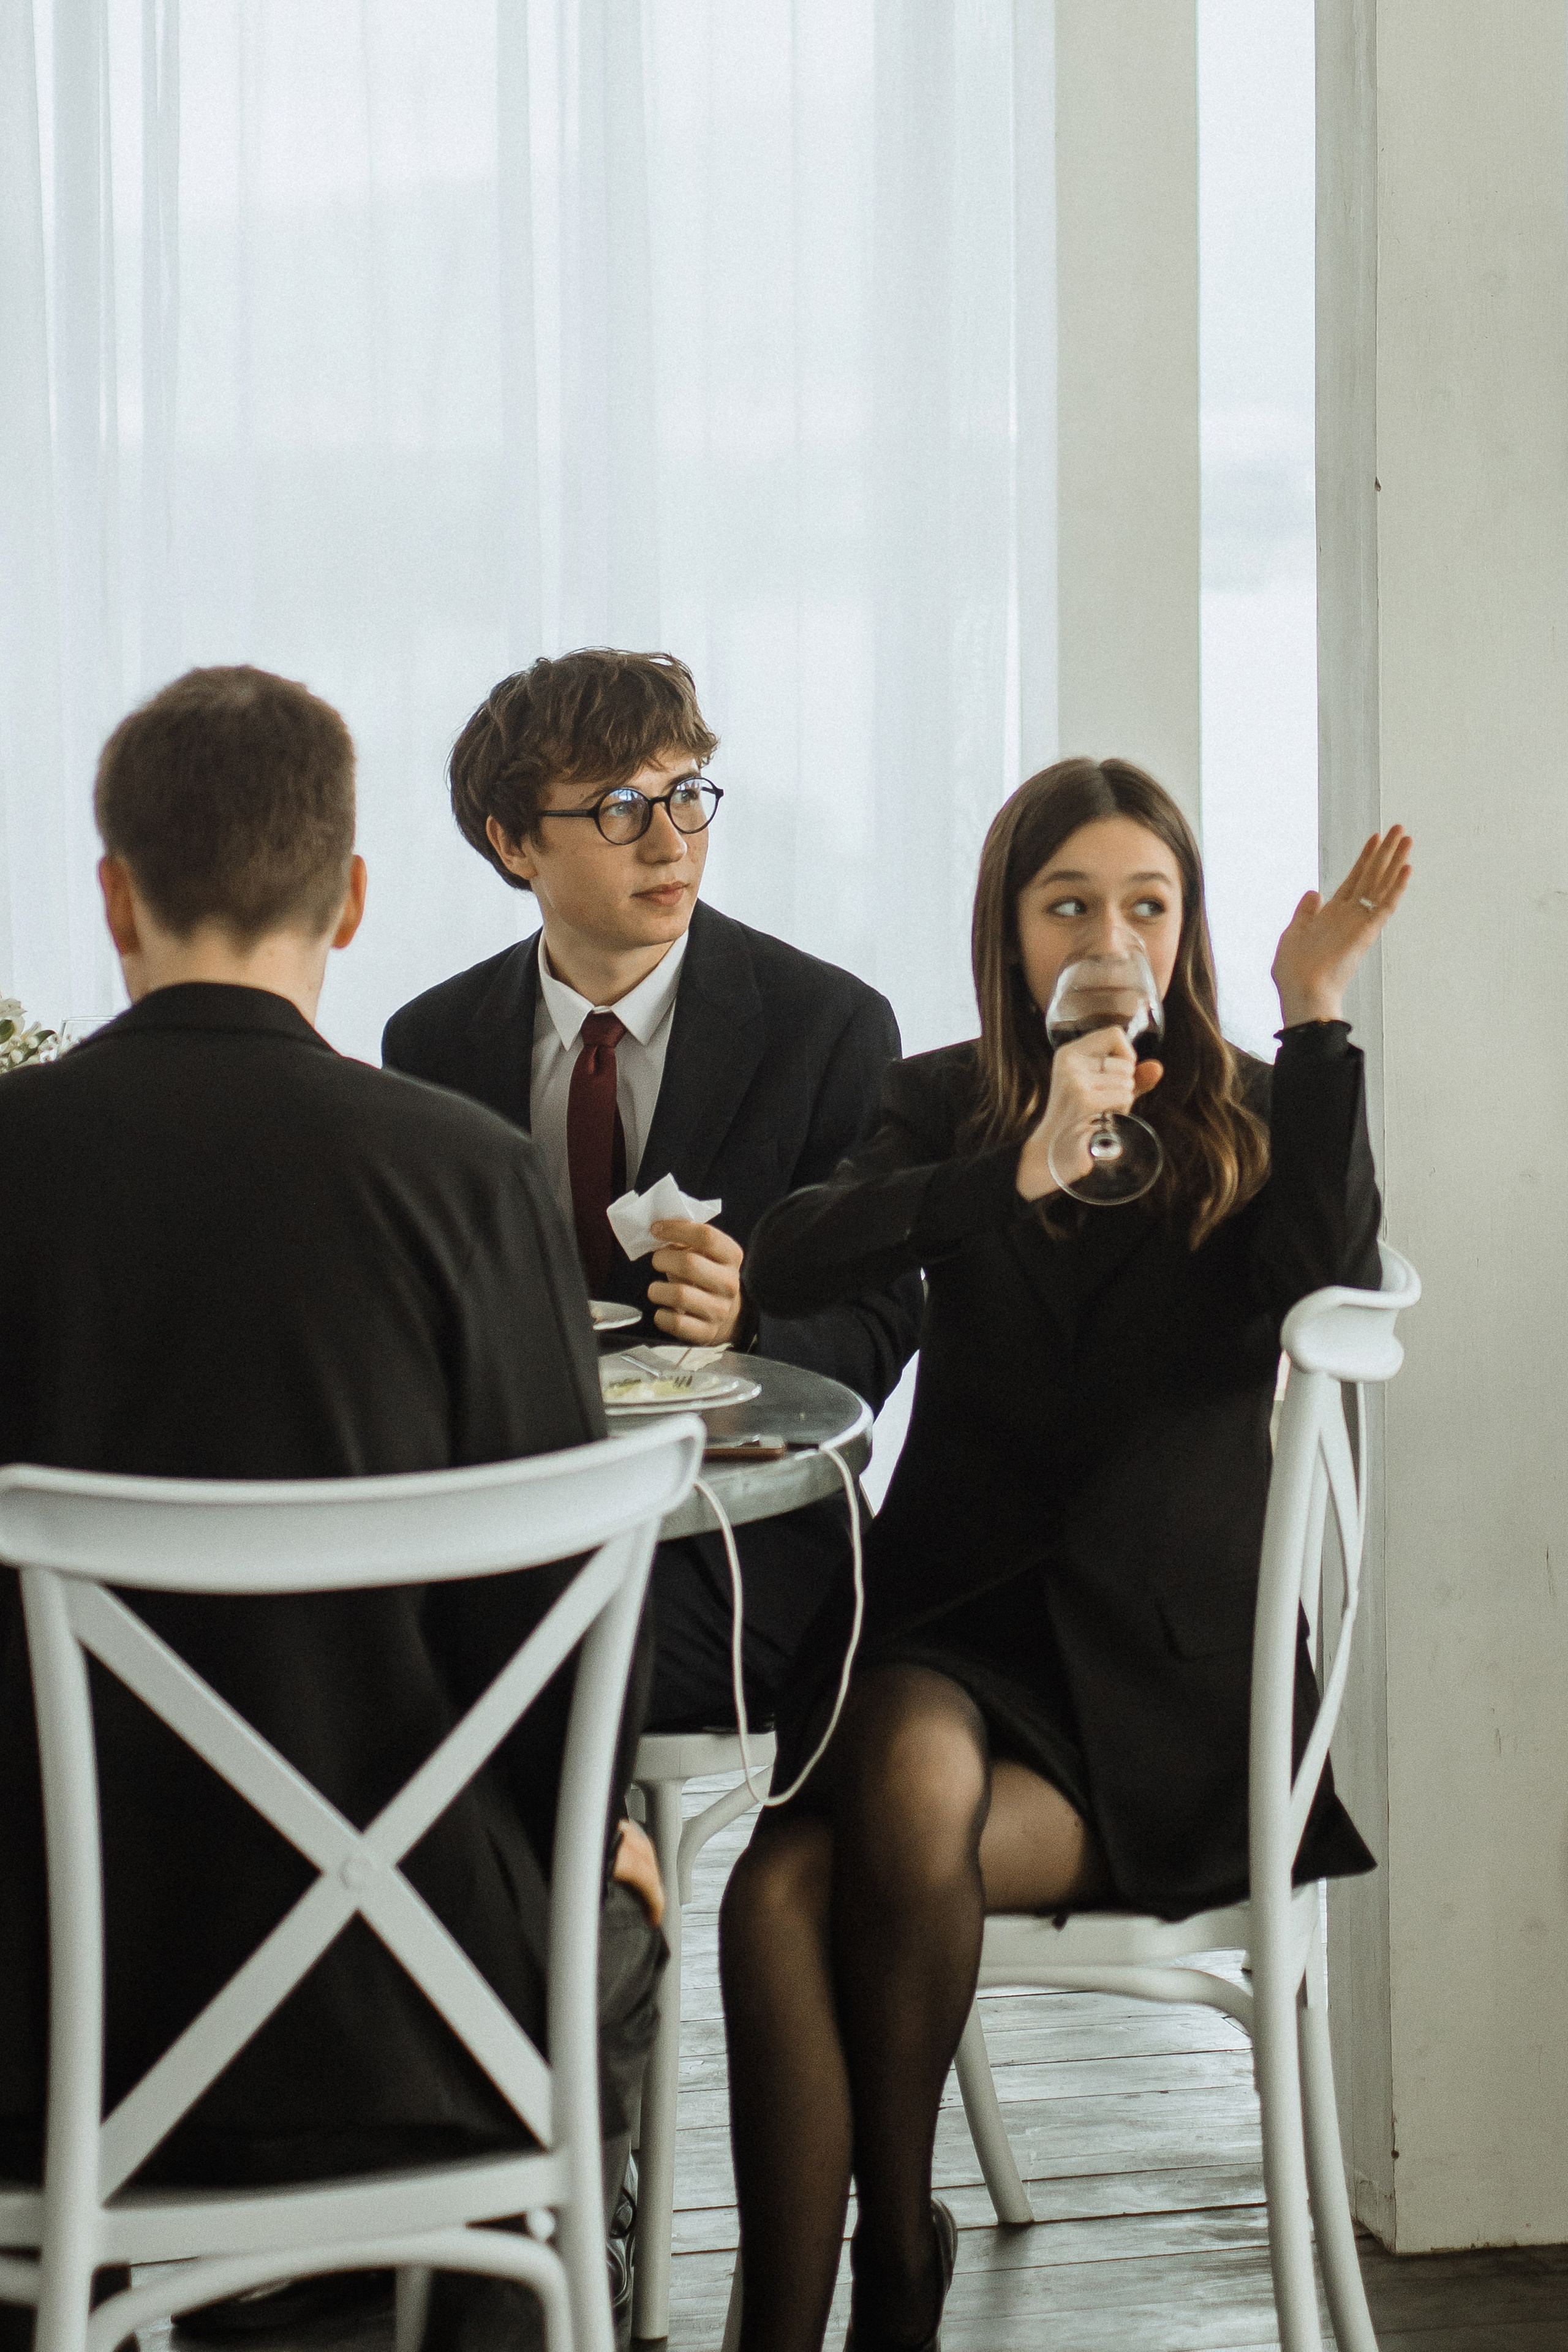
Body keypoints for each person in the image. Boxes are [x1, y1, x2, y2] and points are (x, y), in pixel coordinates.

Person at [0, 666, 662, 2352]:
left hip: (34, 2025)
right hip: (406, 2028)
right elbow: (558, 1640)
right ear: (353, 898)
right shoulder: (464, 1176)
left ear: (113, 896)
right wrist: (600, 1857)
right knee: (619, 1884)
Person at [721, 756, 1414, 2352]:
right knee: (799, 1865)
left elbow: (1338, 1277)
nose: (1112, 938)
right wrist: (1015, 1162)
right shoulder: (949, 1098)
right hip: (958, 1629)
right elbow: (794, 1253)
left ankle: (891, 2276)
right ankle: (863, 2280)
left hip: (1160, 1704)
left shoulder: (1244, 1101)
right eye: (1071, 906)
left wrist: (1316, 1018)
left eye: (1147, 905)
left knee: (809, 1870)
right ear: (1013, 931)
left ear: (1188, 926)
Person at [382, 649, 923, 1733]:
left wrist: (753, 1315)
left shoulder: (829, 1027)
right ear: (512, 841)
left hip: (740, 1529)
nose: (673, 841)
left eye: (686, 794)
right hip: (509, 1519)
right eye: (622, 807)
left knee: (555, 1678)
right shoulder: (433, 1041)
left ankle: (594, 1893)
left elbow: (884, 1316)